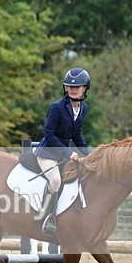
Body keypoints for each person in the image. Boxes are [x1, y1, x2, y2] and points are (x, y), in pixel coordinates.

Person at [33, 68, 93, 237]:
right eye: (70, 86)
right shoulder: (56, 108)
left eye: (78, 87)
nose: (73, 89)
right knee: (55, 180)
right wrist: (68, 153)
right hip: (47, 153)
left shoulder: (83, 108)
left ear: (85, 88)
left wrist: (90, 154)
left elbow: (76, 135)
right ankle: (47, 216)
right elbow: (49, 135)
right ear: (65, 88)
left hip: (63, 155)